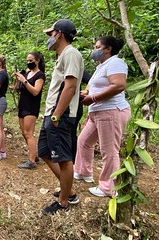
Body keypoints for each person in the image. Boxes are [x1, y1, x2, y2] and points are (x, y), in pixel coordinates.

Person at [74, 36, 131, 197]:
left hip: (110, 111)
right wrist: (86, 93)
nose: (94, 49)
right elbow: (93, 87)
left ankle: (108, 187)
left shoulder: (115, 63)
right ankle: (83, 171)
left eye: (97, 46)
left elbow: (119, 85)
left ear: (108, 49)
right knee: (84, 141)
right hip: (97, 112)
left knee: (109, 150)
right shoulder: (102, 66)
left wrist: (93, 98)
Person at [39, 19, 84, 214]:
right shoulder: (63, 56)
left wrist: (57, 115)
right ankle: (69, 190)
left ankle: (64, 201)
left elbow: (71, 86)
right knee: (44, 151)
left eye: (51, 34)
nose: (49, 38)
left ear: (59, 34)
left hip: (61, 115)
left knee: (64, 159)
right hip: (51, 114)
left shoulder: (71, 54)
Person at [15, 51, 45, 169]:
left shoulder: (40, 75)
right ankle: (34, 155)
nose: (28, 63)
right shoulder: (27, 73)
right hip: (23, 105)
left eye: (31, 60)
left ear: (37, 61)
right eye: (27, 60)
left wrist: (24, 81)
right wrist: (18, 79)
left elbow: (35, 91)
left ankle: (32, 161)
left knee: (29, 133)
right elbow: (19, 89)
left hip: (31, 107)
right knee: (23, 132)